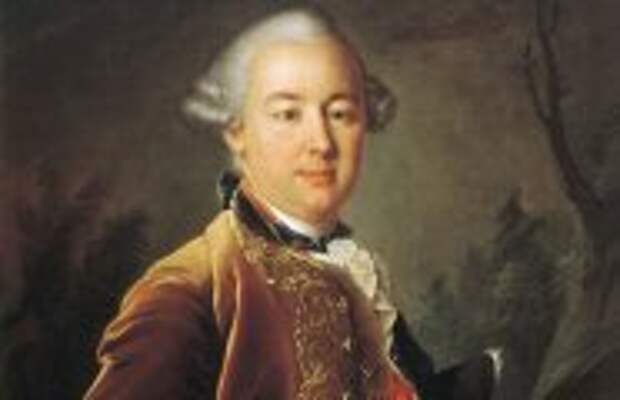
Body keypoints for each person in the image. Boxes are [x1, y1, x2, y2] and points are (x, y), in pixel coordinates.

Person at [85, 7, 495, 400]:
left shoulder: (354, 272)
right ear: (236, 132)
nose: (321, 143)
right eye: (287, 115)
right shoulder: (186, 292)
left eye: (340, 114)